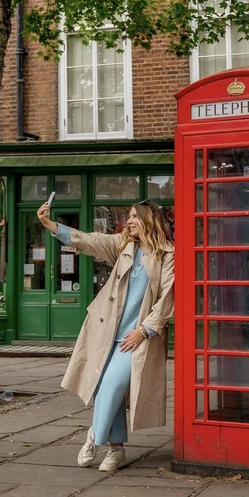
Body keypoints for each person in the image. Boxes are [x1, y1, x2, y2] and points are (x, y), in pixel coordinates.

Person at [37, 199, 174, 472]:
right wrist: (51, 226)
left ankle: (94, 438)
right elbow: (89, 240)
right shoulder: (124, 246)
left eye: (135, 216)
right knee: (102, 386)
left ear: (149, 220)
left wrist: (143, 331)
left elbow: (167, 298)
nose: (130, 220)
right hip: (107, 330)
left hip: (136, 337)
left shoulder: (168, 255)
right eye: (130, 216)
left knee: (111, 384)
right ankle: (116, 449)